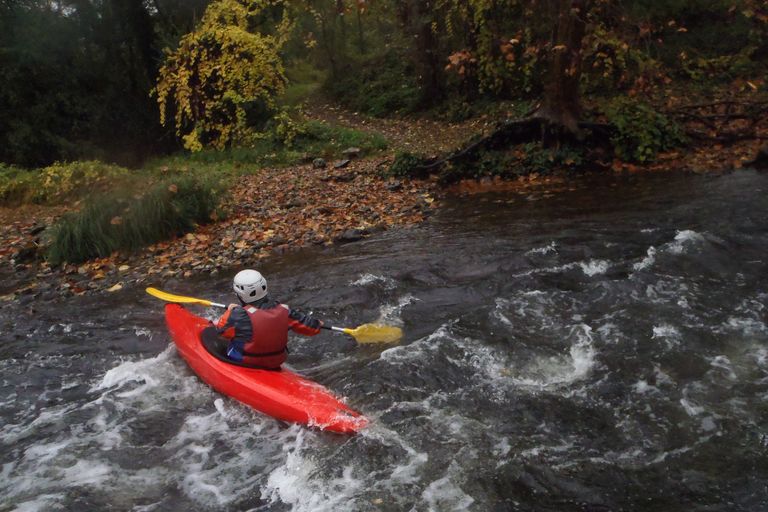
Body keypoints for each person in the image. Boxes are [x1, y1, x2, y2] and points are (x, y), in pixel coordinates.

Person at [215, 269, 323, 369]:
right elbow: (312, 328)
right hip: (277, 361)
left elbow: (221, 332)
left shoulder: (237, 314)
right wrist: (318, 324)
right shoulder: (284, 310)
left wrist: (230, 311)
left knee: (224, 340)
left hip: (246, 361)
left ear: (240, 294)